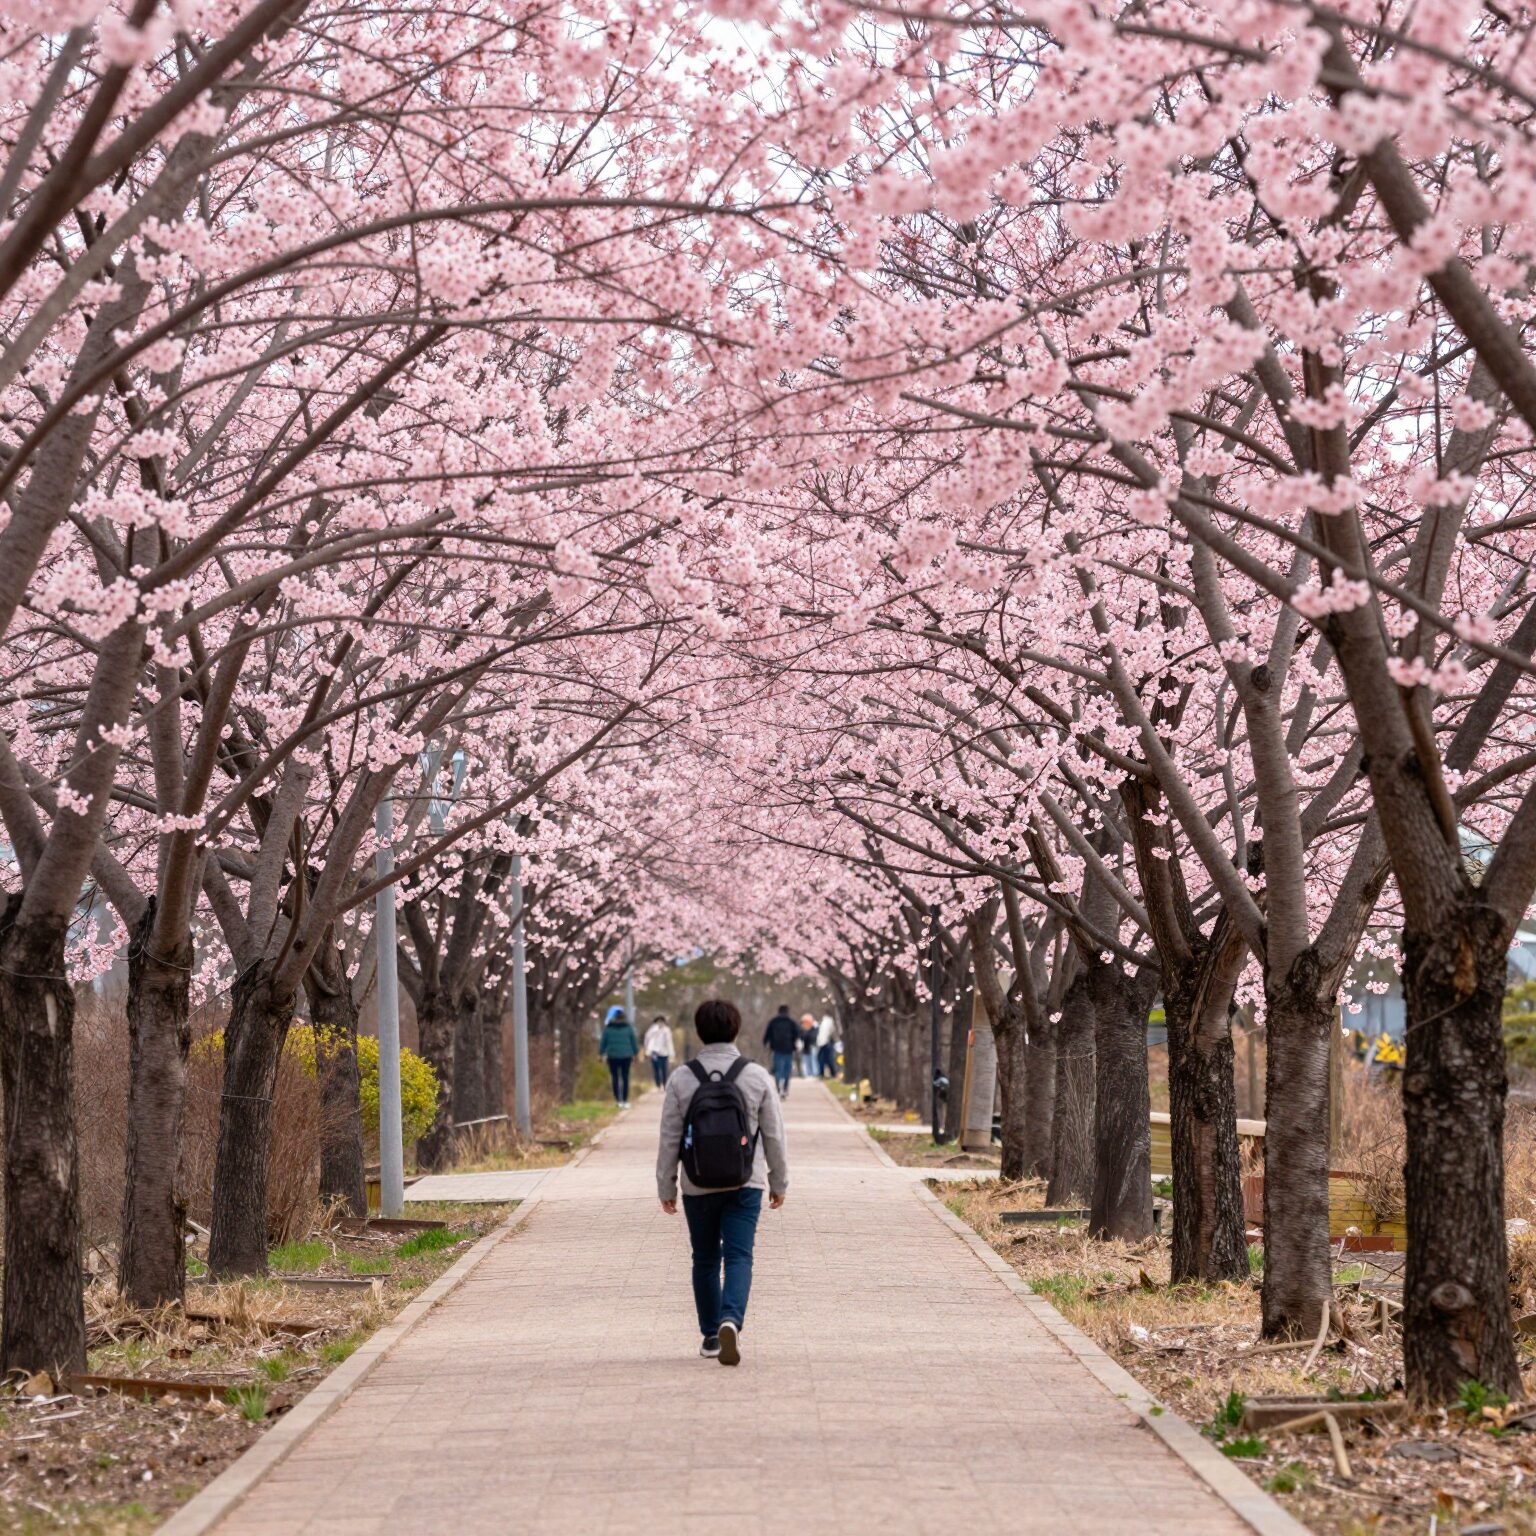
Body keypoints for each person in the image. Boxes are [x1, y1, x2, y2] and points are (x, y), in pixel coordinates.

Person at [657, 998, 787, 1365]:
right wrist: (780, 1181)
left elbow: (669, 1137)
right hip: (746, 1182)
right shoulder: (756, 1075)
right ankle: (732, 1318)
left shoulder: (682, 1077)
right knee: (739, 1255)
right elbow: (775, 1135)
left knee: (704, 1258)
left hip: (697, 1185)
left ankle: (711, 1336)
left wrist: (666, 1185)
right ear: (736, 1028)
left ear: (699, 1031)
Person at [599, 1005, 640, 1108]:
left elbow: (603, 1042)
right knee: (625, 1077)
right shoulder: (628, 1028)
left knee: (615, 1078)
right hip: (626, 1056)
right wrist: (635, 1054)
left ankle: (618, 1100)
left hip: (612, 1056)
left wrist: (601, 1054)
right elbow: (633, 1042)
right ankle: (625, 1100)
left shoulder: (608, 1029)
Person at [763, 1004, 798, 1099]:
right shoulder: (791, 1022)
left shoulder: (773, 1022)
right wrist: (795, 1046)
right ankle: (785, 1089)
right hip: (789, 1049)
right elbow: (796, 1035)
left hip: (776, 1049)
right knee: (787, 1070)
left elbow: (767, 1034)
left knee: (778, 1069)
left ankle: (778, 1088)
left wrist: (766, 1043)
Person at [643, 1015, 674, 1087]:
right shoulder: (651, 1030)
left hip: (664, 1053)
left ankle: (664, 1083)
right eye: (658, 1021)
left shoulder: (667, 1030)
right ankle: (658, 1084)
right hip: (654, 1053)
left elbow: (669, 1042)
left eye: (661, 1021)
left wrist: (671, 1053)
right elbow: (646, 1040)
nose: (660, 1023)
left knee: (664, 1069)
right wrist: (647, 1052)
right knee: (656, 1068)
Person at [816, 1013, 837, 1078]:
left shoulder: (825, 1022)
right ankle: (832, 1073)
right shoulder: (829, 1022)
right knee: (829, 1059)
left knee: (823, 1059)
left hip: (824, 1043)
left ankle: (823, 1073)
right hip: (826, 1042)